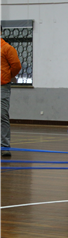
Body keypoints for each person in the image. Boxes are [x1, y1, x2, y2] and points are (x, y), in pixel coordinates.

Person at [1, 28, 22, 157]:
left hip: (2, 86)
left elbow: (16, 66)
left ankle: (4, 146)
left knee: (2, 116)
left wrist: (7, 76)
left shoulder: (7, 48)